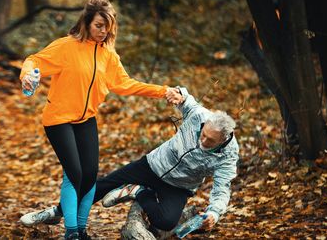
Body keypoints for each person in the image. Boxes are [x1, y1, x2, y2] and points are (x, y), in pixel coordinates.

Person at [18, 0, 183, 239]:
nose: (103, 31)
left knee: (90, 174)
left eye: (107, 26)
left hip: (86, 119)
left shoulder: (108, 54)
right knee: (74, 173)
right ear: (86, 22)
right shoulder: (66, 46)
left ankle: (81, 229)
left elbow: (125, 84)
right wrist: (26, 75)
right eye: (98, 25)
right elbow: (35, 61)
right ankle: (71, 232)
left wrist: (162, 91)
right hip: (59, 119)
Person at [22, 87, 239, 236]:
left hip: (180, 186)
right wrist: (178, 94)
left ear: (223, 139)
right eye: (203, 135)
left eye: (210, 141)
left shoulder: (228, 156)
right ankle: (56, 212)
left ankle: (138, 192)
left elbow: (222, 189)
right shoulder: (199, 116)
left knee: (165, 222)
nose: (203, 140)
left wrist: (214, 213)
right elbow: (185, 96)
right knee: (99, 186)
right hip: (153, 165)